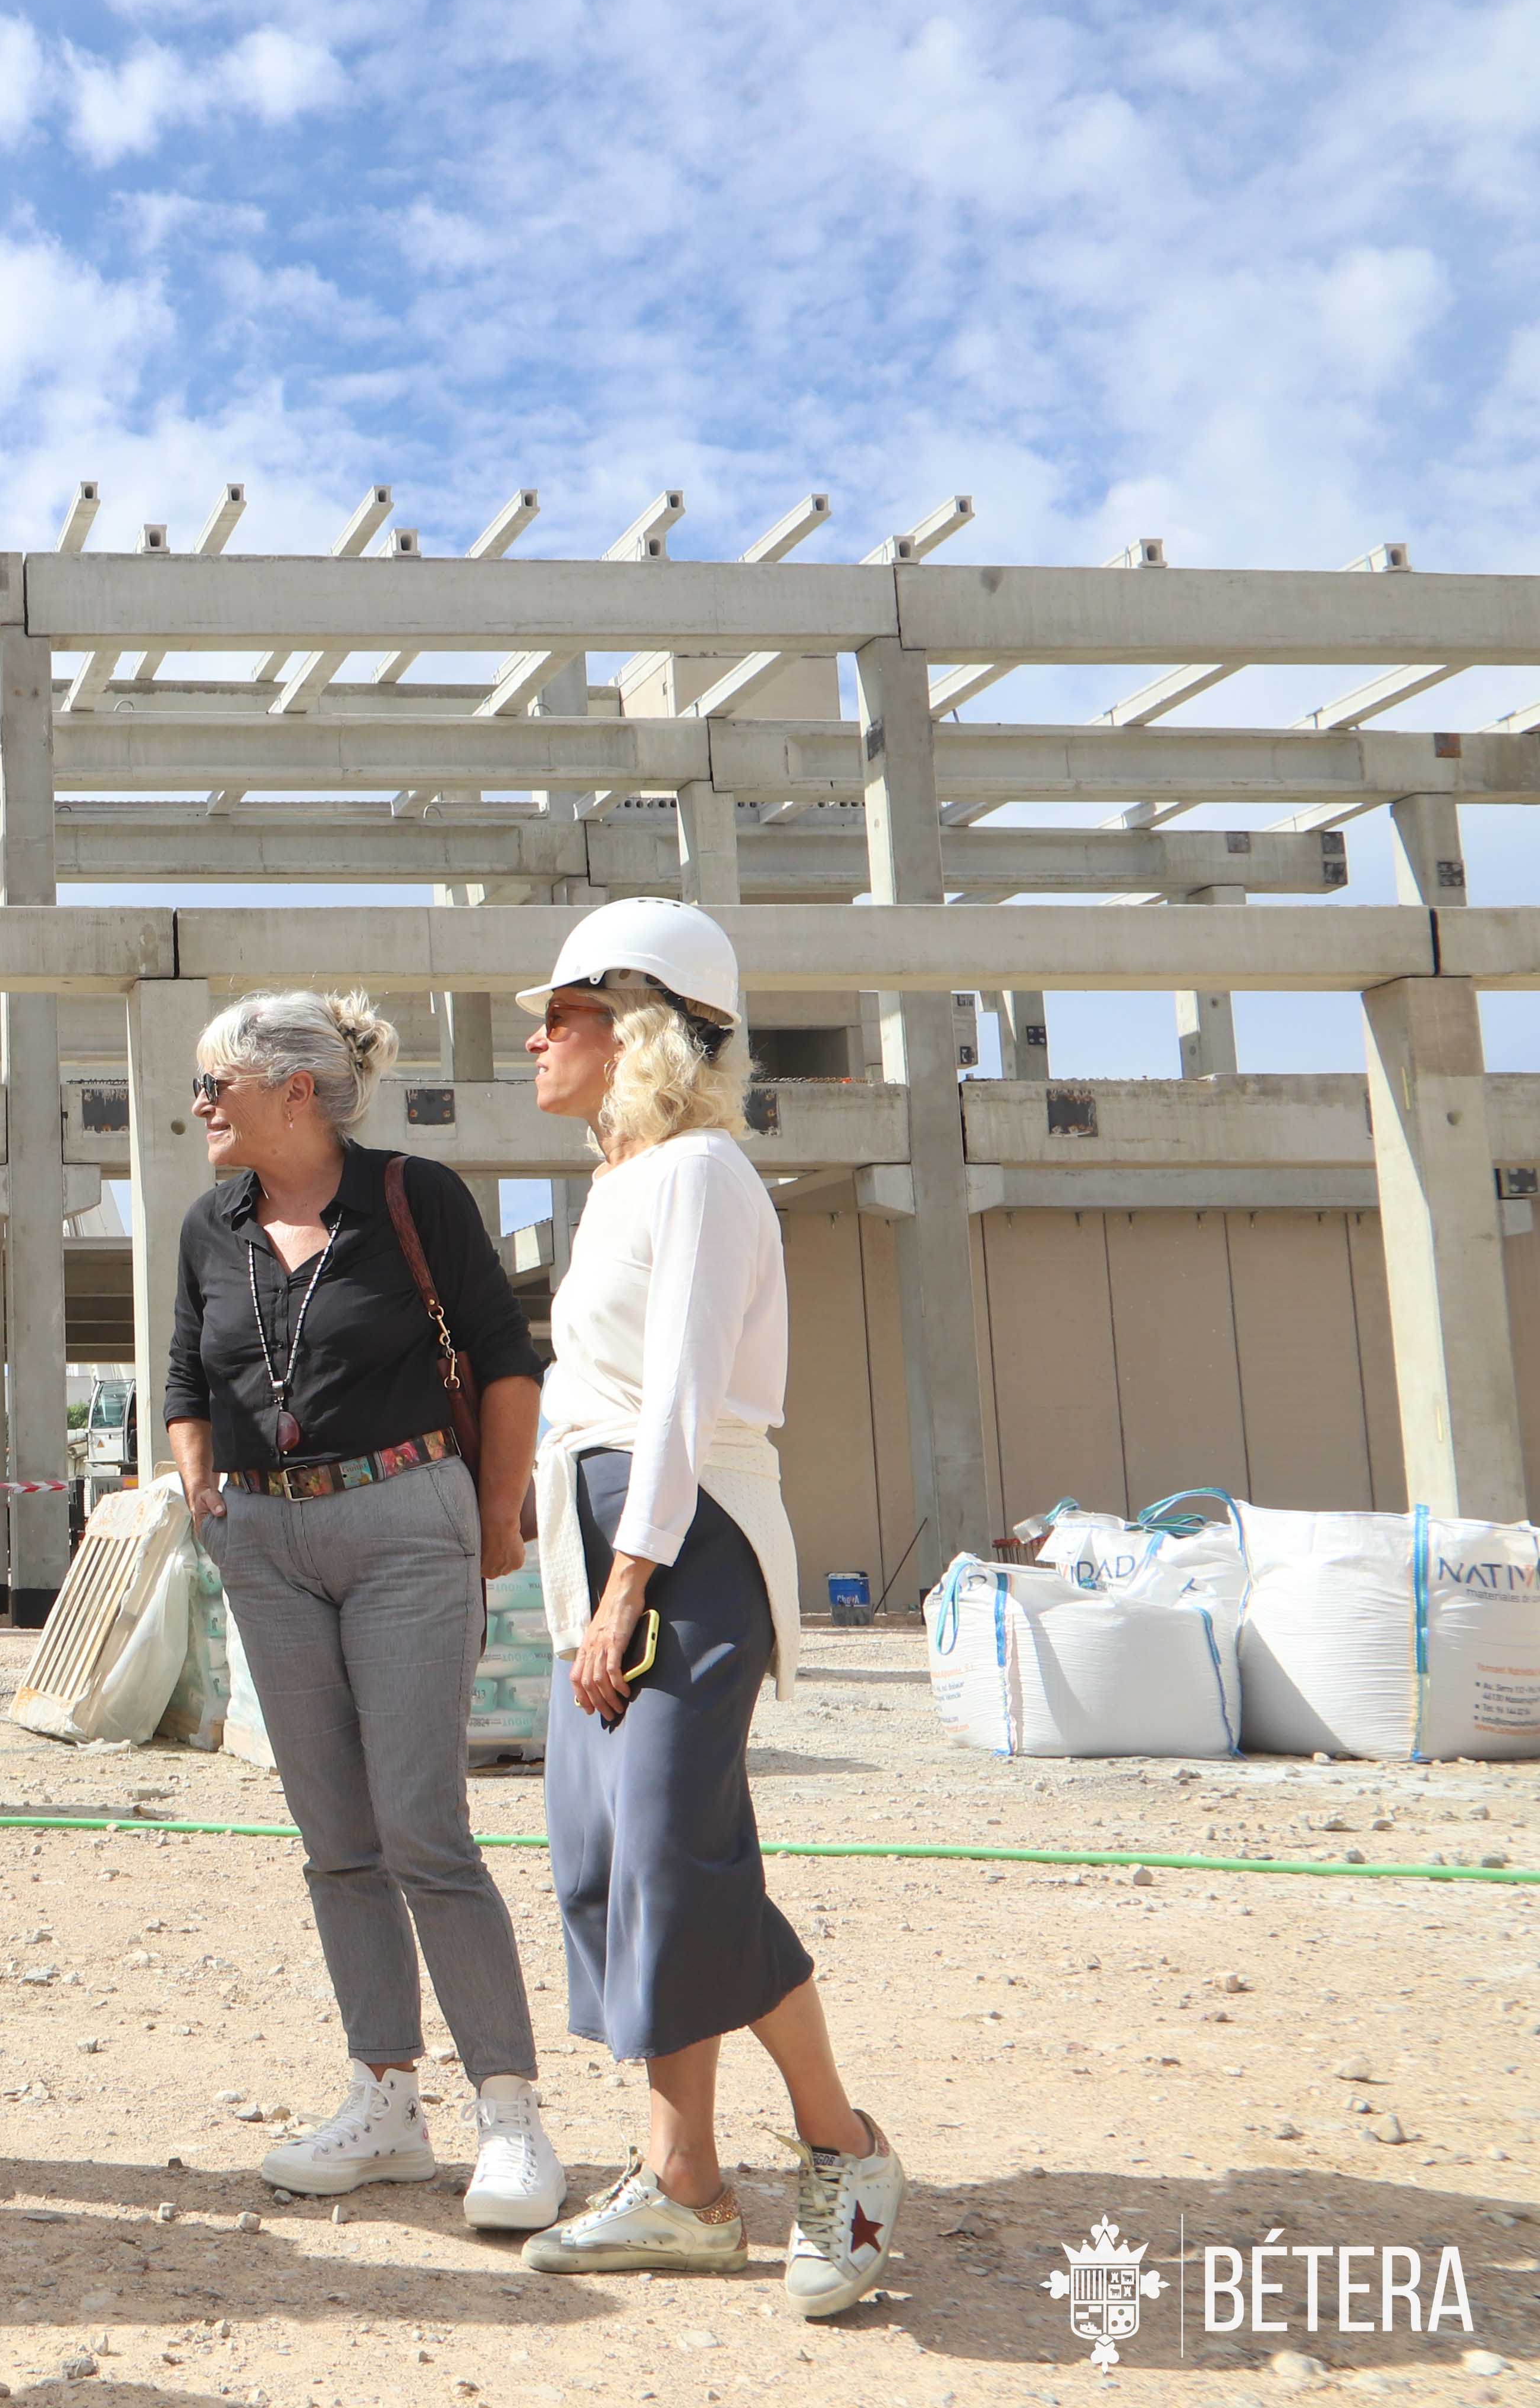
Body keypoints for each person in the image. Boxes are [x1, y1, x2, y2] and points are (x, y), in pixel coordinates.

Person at [511, 897, 905, 2318]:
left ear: (638, 1026)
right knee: (608, 1866)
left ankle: (844, 2149)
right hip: (609, 1532)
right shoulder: (621, 1182)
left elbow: (678, 1398)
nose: (532, 1033)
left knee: (680, 1854)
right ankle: (683, 2184)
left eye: (558, 1011)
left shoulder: (701, 1176)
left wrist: (627, 1585)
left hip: (686, 1538)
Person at [162, 988, 563, 2233]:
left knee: (421, 1826)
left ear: (295, 1091)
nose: (199, 1107)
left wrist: (498, 1513)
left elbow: (505, 1354)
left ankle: (512, 2116)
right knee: (334, 1834)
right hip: (265, 1540)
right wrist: (198, 1489)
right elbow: (185, 1367)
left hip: (404, 1524)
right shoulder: (208, 1224)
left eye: (214, 1086)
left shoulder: (414, 1196)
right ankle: (385, 2100)